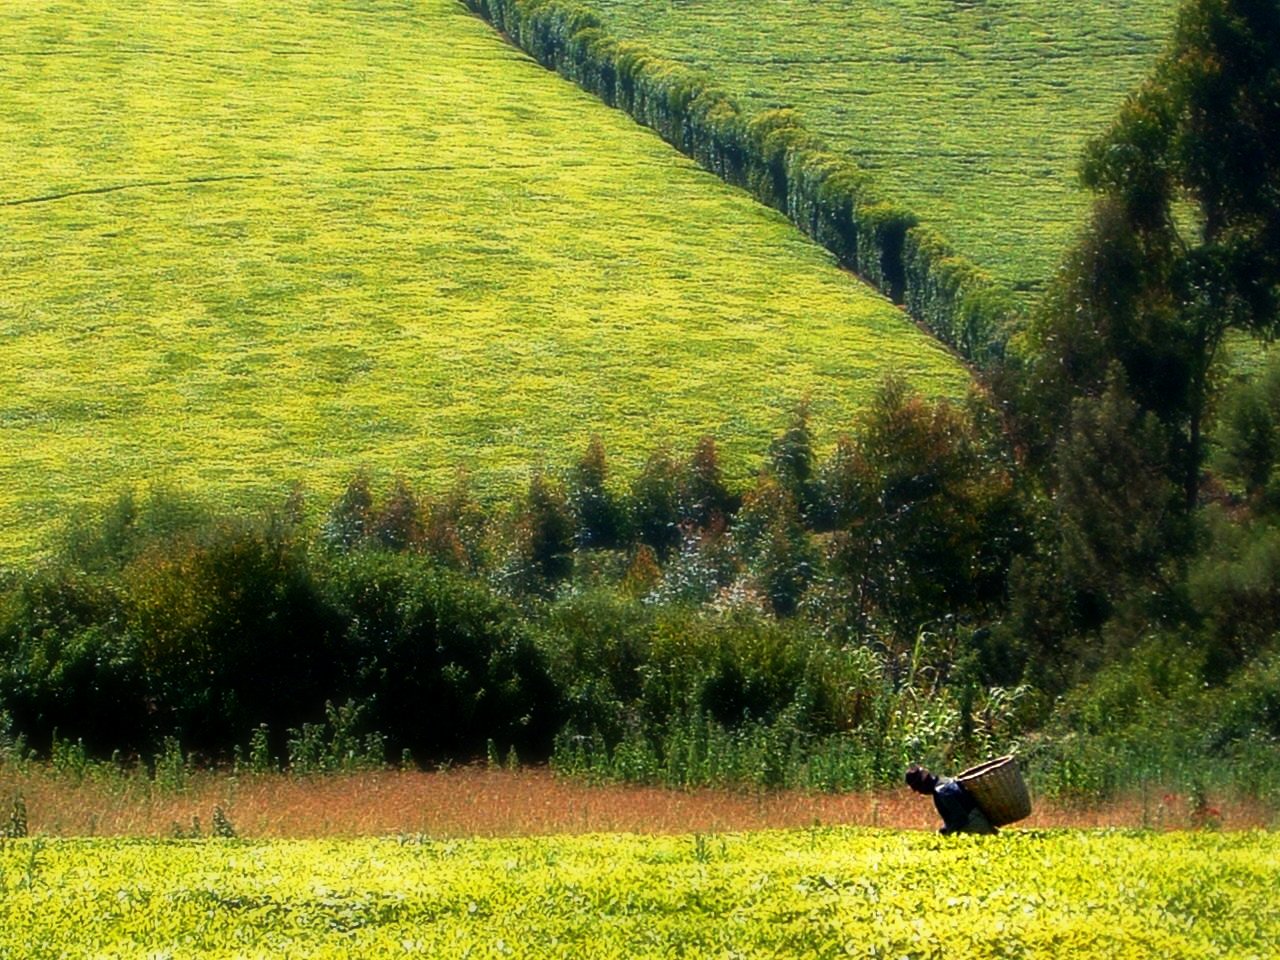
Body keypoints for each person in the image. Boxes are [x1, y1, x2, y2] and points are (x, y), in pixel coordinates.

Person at [906, 764, 997, 835]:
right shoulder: (945, 781)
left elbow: (961, 818)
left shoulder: (942, 792)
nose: (920, 792)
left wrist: (948, 832)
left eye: (919, 788)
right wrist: (945, 828)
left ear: (924, 783)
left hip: (977, 828)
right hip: (981, 823)